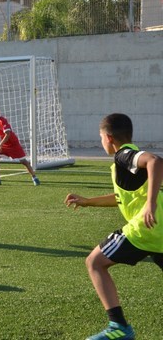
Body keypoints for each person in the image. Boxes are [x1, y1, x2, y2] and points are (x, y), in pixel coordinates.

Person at [65, 113, 163, 340]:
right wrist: (88, 201)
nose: (101, 142)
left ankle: (118, 327)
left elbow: (155, 161)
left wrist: (150, 204)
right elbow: (121, 197)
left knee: (94, 262)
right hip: (158, 232)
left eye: (100, 137)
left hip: (143, 231)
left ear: (108, 138)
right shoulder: (129, 163)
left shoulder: (123, 156)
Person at [0, 102, 39, 186]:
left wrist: (0, 145)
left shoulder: (3, 121)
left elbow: (8, 134)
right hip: (4, 144)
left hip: (13, 144)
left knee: (24, 162)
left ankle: (34, 177)